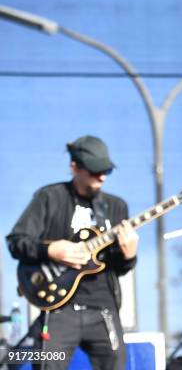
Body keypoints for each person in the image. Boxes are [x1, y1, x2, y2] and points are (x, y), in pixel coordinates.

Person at [6, 135, 138, 370]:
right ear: (75, 167)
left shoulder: (116, 207)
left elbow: (120, 268)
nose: (102, 177)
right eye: (95, 171)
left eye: (106, 170)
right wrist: (50, 250)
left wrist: (129, 255)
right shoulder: (49, 197)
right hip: (58, 310)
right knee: (48, 364)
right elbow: (16, 242)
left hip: (103, 310)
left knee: (116, 364)